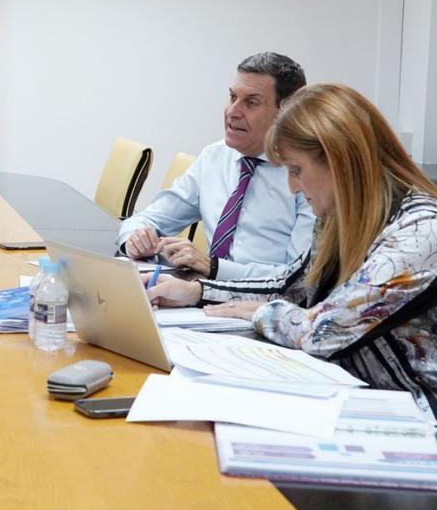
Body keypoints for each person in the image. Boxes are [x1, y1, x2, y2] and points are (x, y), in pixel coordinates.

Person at [148, 83, 437, 414]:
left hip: (418, 414)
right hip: (358, 393)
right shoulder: (338, 216)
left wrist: (263, 313)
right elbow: (293, 288)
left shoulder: (421, 231)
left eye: (296, 170)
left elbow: (325, 331)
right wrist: (197, 291)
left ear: (339, 162)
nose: (292, 186)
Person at [118, 52, 315, 279]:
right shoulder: (215, 157)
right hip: (202, 290)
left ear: (286, 112)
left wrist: (214, 267)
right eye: (232, 97)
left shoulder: (310, 177)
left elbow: (300, 280)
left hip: (262, 298)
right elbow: (148, 219)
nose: (232, 112)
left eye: (251, 103)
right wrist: (136, 238)